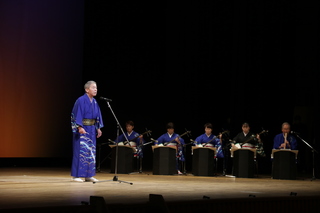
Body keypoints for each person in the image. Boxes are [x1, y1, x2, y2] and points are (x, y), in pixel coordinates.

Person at [70, 80, 104, 182]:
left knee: (91, 152)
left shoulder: (94, 102)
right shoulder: (80, 100)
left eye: (96, 88)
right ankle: (76, 175)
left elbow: (97, 115)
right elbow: (76, 114)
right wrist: (79, 127)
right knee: (80, 151)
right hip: (83, 129)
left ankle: (88, 175)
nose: (95, 89)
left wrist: (98, 128)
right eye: (93, 87)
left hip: (92, 129)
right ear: (87, 89)